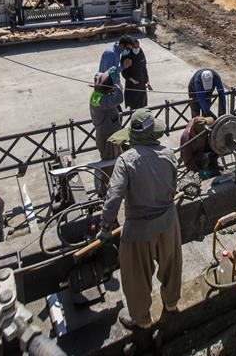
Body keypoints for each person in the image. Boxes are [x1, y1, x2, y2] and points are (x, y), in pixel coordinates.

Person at [99, 109, 182, 330]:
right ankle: (171, 304)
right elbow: (173, 187)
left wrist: (105, 226)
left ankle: (142, 319)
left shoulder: (126, 161)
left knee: (136, 277)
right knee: (172, 266)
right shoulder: (169, 154)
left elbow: (113, 196)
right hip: (168, 222)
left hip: (139, 229)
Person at [90, 67, 124, 195]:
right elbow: (119, 98)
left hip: (104, 133)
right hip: (109, 136)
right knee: (109, 165)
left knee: (118, 159)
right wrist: (116, 82)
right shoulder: (102, 101)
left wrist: (108, 76)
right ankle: (104, 193)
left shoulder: (96, 95)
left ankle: (121, 183)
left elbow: (99, 77)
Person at [121, 39, 151, 109]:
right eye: (134, 47)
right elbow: (124, 72)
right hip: (131, 86)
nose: (136, 49)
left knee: (142, 105)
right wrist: (132, 80)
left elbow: (144, 69)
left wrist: (147, 81)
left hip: (141, 85)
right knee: (133, 106)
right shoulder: (126, 55)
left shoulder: (141, 54)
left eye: (138, 47)